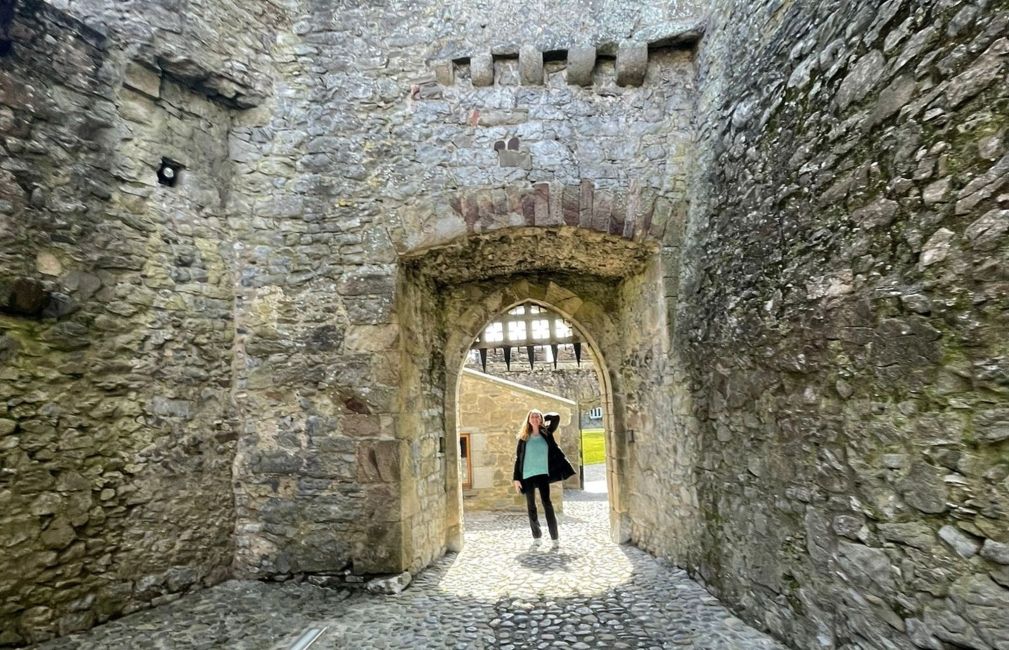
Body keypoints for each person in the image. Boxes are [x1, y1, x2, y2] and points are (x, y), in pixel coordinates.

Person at [512, 409, 575, 549]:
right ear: (528, 419)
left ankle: (555, 538)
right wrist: (516, 479)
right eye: (532, 417)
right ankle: (537, 536)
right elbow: (518, 459)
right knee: (531, 506)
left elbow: (556, 417)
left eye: (537, 417)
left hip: (542, 473)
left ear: (540, 419)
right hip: (527, 475)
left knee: (547, 504)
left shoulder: (546, 432)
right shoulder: (523, 437)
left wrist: (540, 418)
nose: (534, 418)